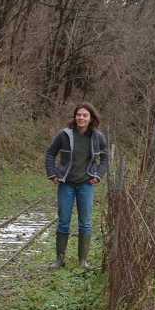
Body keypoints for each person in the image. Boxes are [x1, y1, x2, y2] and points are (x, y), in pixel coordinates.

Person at [45, 102, 109, 269]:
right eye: (79, 115)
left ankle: (83, 261)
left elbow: (105, 159)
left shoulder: (97, 137)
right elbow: (50, 153)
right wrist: (52, 173)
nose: (81, 118)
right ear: (75, 117)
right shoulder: (65, 135)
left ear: (91, 118)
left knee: (85, 223)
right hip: (66, 184)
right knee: (63, 221)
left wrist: (98, 175)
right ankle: (60, 259)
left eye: (84, 115)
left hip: (86, 184)